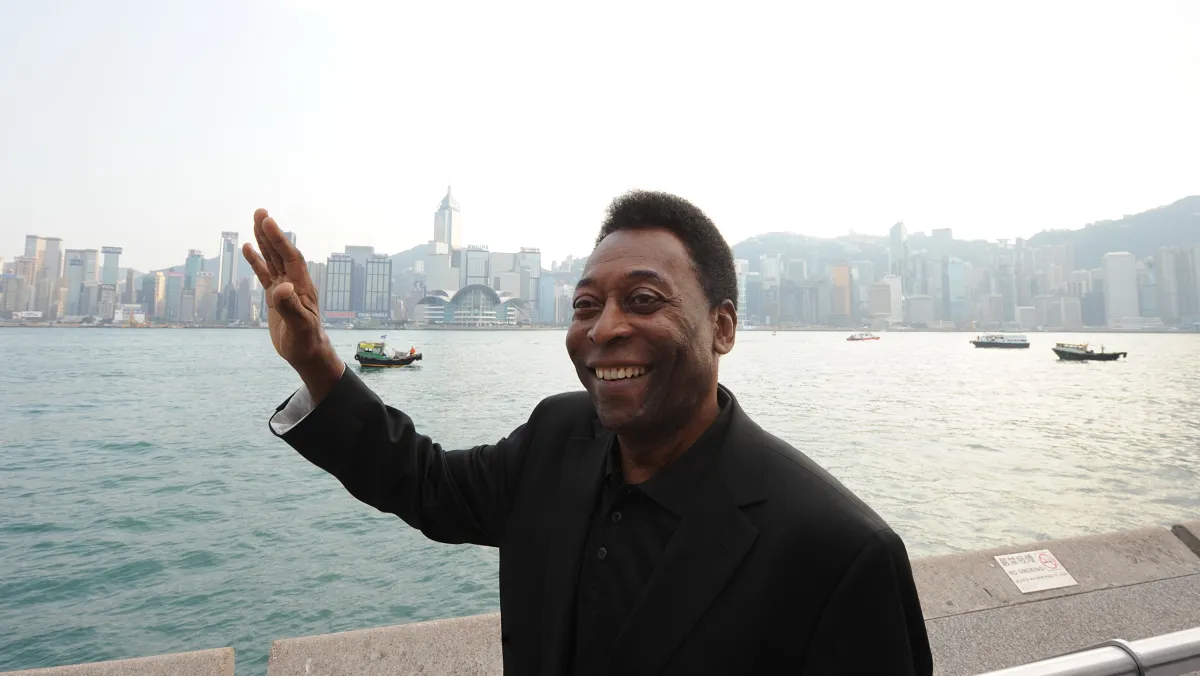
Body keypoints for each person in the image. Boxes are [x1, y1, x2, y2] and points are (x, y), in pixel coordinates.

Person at [243, 191, 933, 675]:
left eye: (643, 300)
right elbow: (424, 482)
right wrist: (317, 360)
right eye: (585, 305)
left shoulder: (838, 552)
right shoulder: (556, 438)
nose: (604, 329)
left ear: (722, 327)